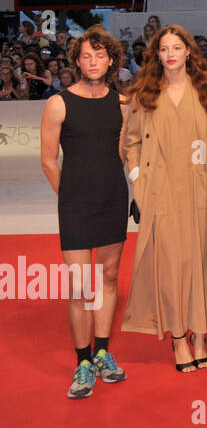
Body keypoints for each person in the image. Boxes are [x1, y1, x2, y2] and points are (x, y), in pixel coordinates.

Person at [121, 25, 207, 373]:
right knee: (171, 266)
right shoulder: (144, 93)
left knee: (202, 264)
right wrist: (137, 175)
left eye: (176, 47)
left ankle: (200, 335)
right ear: (156, 55)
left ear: (188, 52)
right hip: (162, 192)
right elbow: (130, 142)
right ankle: (178, 337)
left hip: (201, 188)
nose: (170, 54)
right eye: (163, 48)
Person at [40, 27, 129, 398]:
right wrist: (70, 198)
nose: (93, 62)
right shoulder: (59, 103)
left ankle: (102, 352)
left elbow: (122, 153)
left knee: (108, 279)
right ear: (77, 61)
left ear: (110, 60)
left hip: (112, 199)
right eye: (86, 56)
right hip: (75, 205)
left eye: (100, 55)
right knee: (79, 287)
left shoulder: (122, 102)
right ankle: (82, 362)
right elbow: (47, 161)